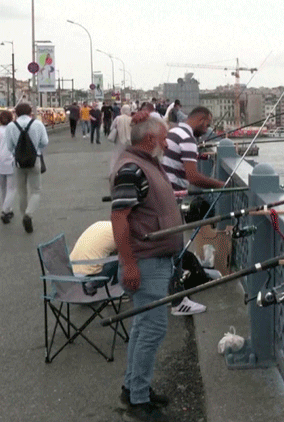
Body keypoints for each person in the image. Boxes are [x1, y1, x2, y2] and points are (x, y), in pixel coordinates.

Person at [111, 112, 178, 420]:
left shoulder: (146, 163)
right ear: (151, 139)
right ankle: (138, 402)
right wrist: (129, 265)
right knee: (152, 330)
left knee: (142, 328)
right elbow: (119, 219)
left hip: (154, 257)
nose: (167, 144)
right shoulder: (132, 169)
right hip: (145, 260)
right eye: (163, 138)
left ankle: (133, 387)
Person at [6, 102, 49, 233]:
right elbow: (45, 142)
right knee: (36, 190)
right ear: (31, 112)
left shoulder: (11, 126)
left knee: (22, 191)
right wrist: (37, 150)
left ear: (16, 113)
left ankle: (24, 214)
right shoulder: (37, 124)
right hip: (34, 160)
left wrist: (17, 153)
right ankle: (28, 215)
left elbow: (9, 146)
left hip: (18, 162)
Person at [163, 106, 226, 192]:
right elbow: (193, 177)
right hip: (170, 193)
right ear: (201, 120)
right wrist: (221, 185)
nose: (205, 131)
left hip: (162, 187)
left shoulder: (173, 131)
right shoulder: (187, 138)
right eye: (207, 126)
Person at [70, 220, 119, 294]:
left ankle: (89, 285)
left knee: (107, 254)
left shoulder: (101, 224)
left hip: (71, 272)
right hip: (88, 275)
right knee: (123, 258)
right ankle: (114, 290)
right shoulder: (121, 233)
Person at [109, 104, 135, 173]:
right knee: (128, 157)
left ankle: (113, 172)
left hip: (119, 140)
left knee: (116, 156)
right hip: (129, 141)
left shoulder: (118, 118)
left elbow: (111, 128)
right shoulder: (131, 119)